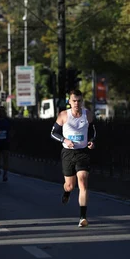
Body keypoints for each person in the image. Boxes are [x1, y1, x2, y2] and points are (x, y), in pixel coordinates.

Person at [51, 89, 96, 228]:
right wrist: (64, 140)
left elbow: (93, 131)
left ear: (82, 101)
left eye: (79, 101)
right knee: (70, 185)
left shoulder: (87, 114)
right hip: (68, 153)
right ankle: (66, 192)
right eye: (74, 101)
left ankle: (83, 217)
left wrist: (92, 141)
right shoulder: (64, 115)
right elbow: (53, 133)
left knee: (83, 180)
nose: (77, 103)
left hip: (83, 152)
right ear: (69, 102)